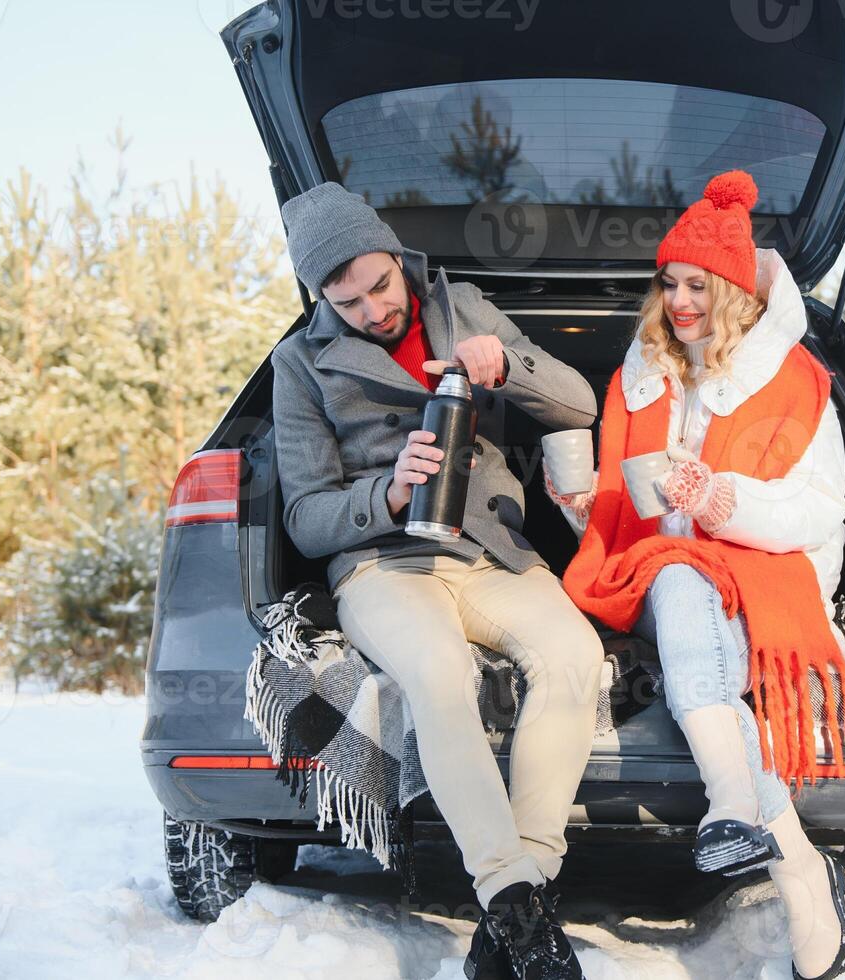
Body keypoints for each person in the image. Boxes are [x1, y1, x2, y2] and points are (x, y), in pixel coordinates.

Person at [272, 181, 602, 980]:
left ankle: (513, 910)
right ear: (323, 298)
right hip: (384, 566)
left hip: (490, 555)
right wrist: (384, 494)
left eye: (379, 286)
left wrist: (508, 364)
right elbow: (306, 517)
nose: (371, 311)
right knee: (439, 672)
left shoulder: (466, 309)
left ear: (396, 257)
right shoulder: (300, 362)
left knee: (574, 656)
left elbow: (580, 403)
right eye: (345, 302)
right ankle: (517, 905)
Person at [550, 171, 845, 979]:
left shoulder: (796, 383)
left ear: (734, 293)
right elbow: (622, 517)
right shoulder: (637, 375)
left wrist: (721, 500)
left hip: (763, 571)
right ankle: (779, 848)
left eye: (698, 285)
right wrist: (580, 504)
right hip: (655, 573)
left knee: (691, 599)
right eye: (670, 282)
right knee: (679, 581)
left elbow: (819, 509)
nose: (679, 300)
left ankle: (765, 838)